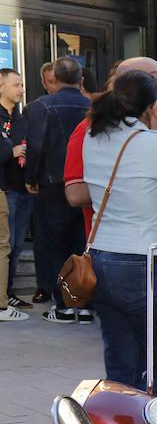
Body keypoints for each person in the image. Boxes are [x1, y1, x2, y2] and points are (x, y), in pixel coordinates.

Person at [82, 70, 157, 394]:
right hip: (145, 259)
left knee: (120, 358)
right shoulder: (156, 142)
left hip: (101, 257)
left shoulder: (93, 134)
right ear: (152, 107)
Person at [25, 56, 90, 321]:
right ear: (81, 80)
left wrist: (31, 177)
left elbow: (36, 146)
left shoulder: (40, 106)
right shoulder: (93, 106)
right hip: (87, 183)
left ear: (54, 79)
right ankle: (85, 304)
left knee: (55, 243)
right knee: (83, 242)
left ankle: (64, 305)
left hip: (53, 182)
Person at [0, 68, 28, 315]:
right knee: (5, 245)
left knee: (17, 245)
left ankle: (8, 293)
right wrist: (11, 151)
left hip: (23, 188)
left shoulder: (20, 117)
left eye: (21, 84)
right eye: (16, 84)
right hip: (5, 189)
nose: (20, 89)